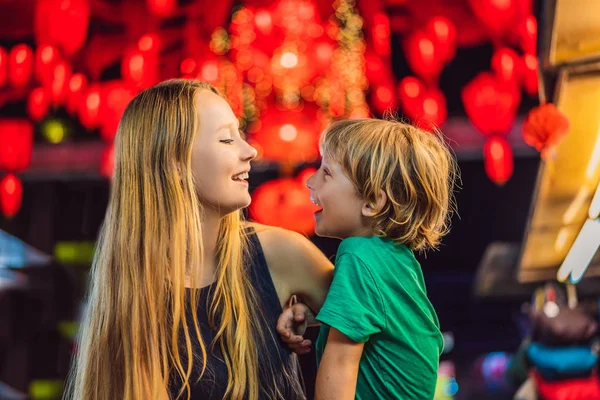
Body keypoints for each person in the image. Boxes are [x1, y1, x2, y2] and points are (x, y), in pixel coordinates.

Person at [64, 79, 333, 400]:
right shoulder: (130, 290)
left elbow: (393, 327)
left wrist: (318, 317)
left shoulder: (282, 253)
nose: (251, 151)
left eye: (241, 136)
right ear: (174, 164)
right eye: (226, 139)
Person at [279, 118, 457, 399]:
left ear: (372, 201)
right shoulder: (395, 258)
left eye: (326, 173)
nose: (311, 181)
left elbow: (340, 364)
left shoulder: (359, 255)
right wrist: (315, 316)